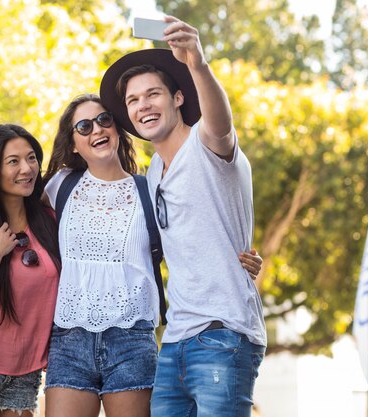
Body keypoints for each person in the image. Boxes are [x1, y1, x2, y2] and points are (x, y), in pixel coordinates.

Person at [41, 94, 262, 417]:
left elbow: (193, 235)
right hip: (69, 338)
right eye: (84, 126)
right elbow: (20, 218)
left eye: (104, 120)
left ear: (117, 128)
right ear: (73, 143)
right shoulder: (59, 187)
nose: (97, 130)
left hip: (132, 340)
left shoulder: (150, 189)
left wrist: (238, 257)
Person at [99, 15, 267, 417]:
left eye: (152, 94)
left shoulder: (206, 145)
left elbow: (221, 125)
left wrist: (197, 63)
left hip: (222, 334)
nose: (142, 106)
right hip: (175, 341)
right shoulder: (154, 170)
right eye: (133, 101)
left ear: (178, 98)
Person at [0, 124, 60, 417]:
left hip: (27, 369)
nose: (27, 168)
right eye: (13, 161)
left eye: (31, 158)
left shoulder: (50, 221)